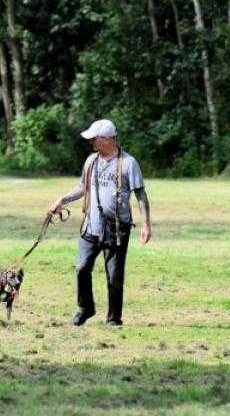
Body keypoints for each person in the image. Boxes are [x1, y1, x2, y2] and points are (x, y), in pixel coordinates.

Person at [44, 118, 151, 326]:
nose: (91, 142)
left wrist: (146, 224)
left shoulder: (128, 163)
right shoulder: (91, 161)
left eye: (94, 139)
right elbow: (82, 187)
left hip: (117, 229)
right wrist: (61, 200)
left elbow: (141, 195)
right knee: (82, 268)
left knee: (114, 276)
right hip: (90, 226)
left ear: (108, 139)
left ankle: (113, 318)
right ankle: (86, 308)